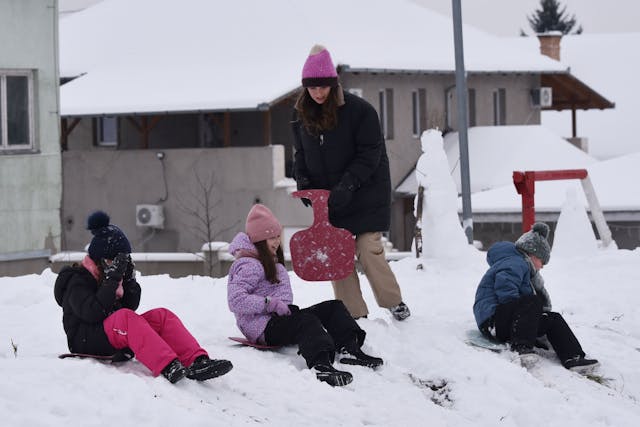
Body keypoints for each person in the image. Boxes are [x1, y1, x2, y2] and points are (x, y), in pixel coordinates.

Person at [291, 44, 410, 321]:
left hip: (366, 194)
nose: (318, 93)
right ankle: (353, 315)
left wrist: (347, 185)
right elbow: (300, 155)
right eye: (312, 87)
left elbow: (371, 154)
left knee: (368, 249)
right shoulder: (301, 116)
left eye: (323, 87)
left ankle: (394, 303)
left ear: (334, 84)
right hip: (331, 201)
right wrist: (303, 181)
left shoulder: (360, 112)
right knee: (338, 254)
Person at [54, 211, 233, 384]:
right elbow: (92, 312)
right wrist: (112, 279)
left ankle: (197, 362)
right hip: (85, 340)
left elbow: (130, 305)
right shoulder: (77, 280)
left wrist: (129, 280)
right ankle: (168, 365)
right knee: (125, 318)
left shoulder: (110, 279)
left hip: (110, 335)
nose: (116, 267)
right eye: (112, 261)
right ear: (100, 260)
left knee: (161, 316)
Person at [227, 204, 383, 387]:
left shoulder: (269, 260)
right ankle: (321, 366)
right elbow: (235, 300)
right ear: (260, 240)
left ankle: (350, 350)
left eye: (277, 236)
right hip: (261, 327)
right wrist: (270, 304)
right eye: (271, 237)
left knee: (333, 307)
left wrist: (281, 306)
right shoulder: (249, 265)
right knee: (306, 321)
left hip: (276, 319)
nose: (276, 241)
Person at [473, 222, 599, 371]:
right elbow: (506, 290)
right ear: (532, 254)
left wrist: (532, 323)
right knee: (532, 302)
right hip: (493, 320)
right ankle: (521, 348)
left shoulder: (522, 266)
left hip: (508, 321)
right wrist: (526, 323)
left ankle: (573, 357)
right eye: (542, 261)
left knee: (552, 318)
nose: (542, 266)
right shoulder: (515, 263)